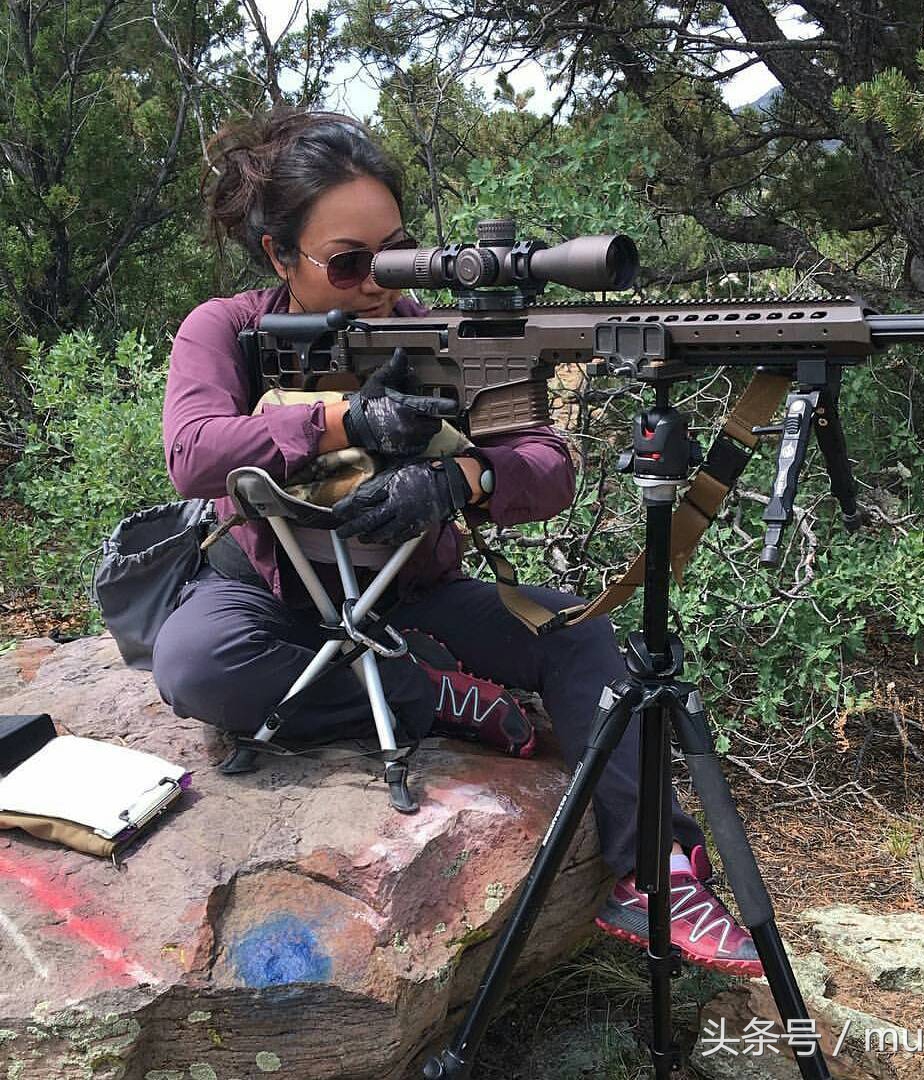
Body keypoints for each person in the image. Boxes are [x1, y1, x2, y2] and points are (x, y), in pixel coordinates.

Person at [152, 105, 761, 976]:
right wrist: (344, 418)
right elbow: (192, 452)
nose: (377, 281)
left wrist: (459, 480)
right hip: (273, 594)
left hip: (419, 592)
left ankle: (653, 875)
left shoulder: (447, 332)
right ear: (281, 257)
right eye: (349, 262)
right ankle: (429, 695)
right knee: (195, 665)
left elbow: (545, 463)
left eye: (393, 252)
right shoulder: (231, 330)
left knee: (583, 633)